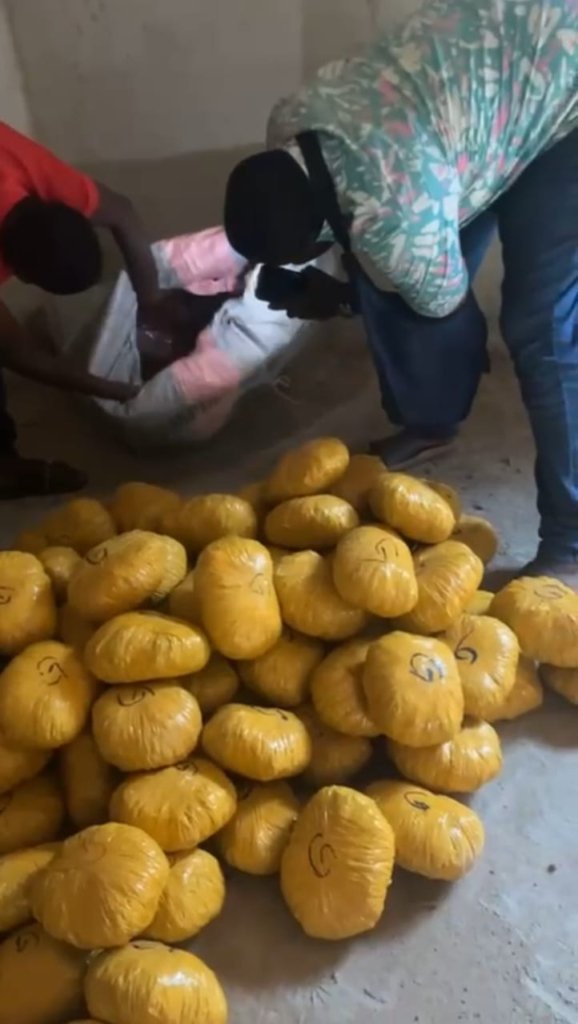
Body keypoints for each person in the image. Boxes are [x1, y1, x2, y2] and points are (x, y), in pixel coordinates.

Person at [223, 0, 578, 583]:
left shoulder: (397, 219)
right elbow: (372, 235)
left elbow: (444, 312)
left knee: (539, 327)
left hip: (564, 94)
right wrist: (351, 287)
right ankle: (434, 421)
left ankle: (569, 539)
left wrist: (341, 299)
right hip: (492, 77)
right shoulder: (291, 121)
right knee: (397, 274)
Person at [0, 121, 184, 498]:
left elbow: (122, 213)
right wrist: (114, 391)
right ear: (21, 275)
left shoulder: (22, 165)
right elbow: (17, 353)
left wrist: (151, 303)